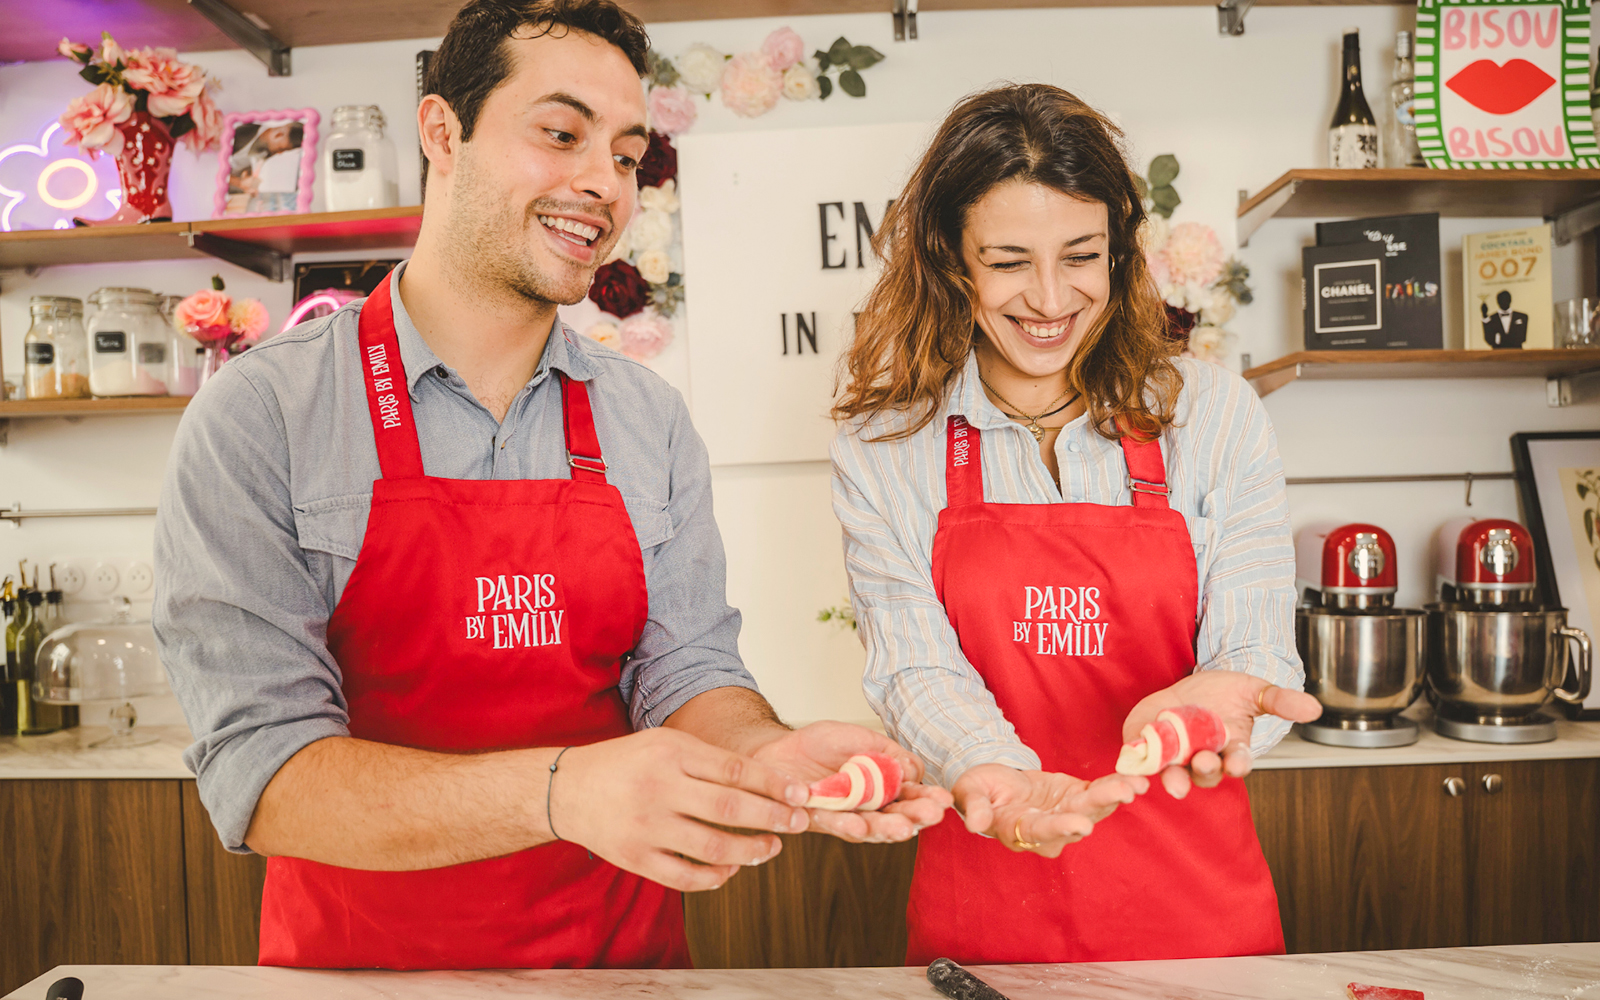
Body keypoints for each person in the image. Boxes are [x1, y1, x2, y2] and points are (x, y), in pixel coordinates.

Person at [154, 0, 948, 972]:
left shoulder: (646, 419)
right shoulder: (263, 415)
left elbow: (685, 669)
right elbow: (265, 774)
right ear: (443, 131)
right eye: (560, 133)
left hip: (620, 971)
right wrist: (562, 793)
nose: (601, 184)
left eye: (624, 153)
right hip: (358, 976)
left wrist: (759, 752)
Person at [829, 84, 1323, 966]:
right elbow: (913, 665)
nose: (1050, 299)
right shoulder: (886, 443)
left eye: (1081, 256)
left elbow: (1255, 647)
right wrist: (1003, 778)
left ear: (1120, 253)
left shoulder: (1210, 415)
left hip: (1199, 926)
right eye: (1011, 260)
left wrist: (1219, 702)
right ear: (952, 261)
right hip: (987, 903)